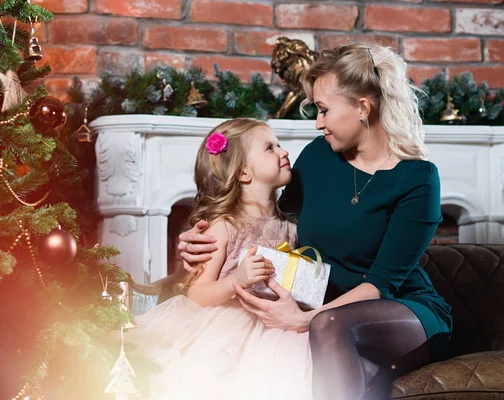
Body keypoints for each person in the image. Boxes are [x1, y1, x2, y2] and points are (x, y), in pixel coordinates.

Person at [178, 43, 453, 400]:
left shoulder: (419, 178)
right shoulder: (317, 156)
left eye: (323, 110)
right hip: (326, 313)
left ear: (362, 108)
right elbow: (271, 221)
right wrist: (202, 239)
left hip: (406, 313)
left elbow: (381, 284)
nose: (318, 122)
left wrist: (306, 319)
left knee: (329, 325)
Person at [132, 118, 314, 400]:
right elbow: (197, 294)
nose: (284, 152)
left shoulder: (291, 225)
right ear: (242, 172)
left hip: (277, 326)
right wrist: (235, 280)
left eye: (279, 145)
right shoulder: (224, 225)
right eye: (270, 148)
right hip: (228, 328)